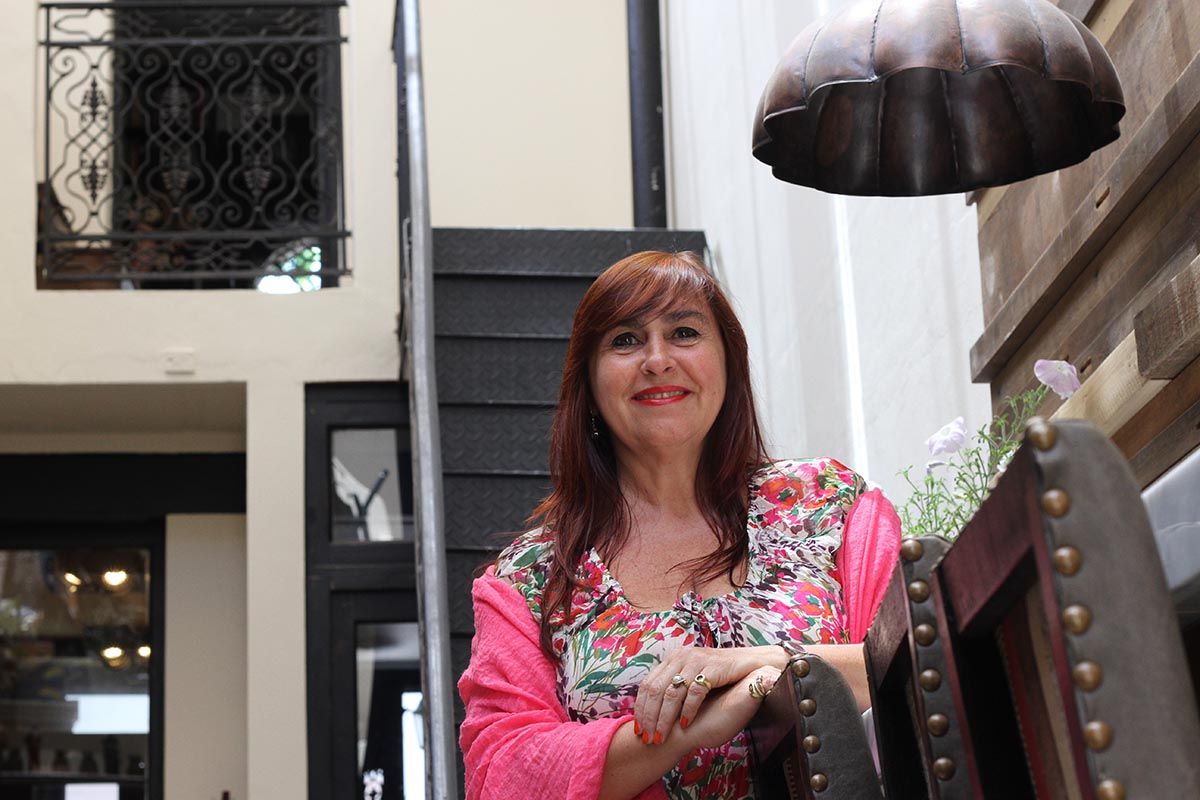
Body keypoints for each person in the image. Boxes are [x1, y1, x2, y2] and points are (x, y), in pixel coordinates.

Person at [458, 251, 901, 800]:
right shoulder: (530, 582)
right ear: (588, 386)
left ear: (728, 363)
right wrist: (682, 731)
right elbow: (500, 773)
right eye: (625, 340)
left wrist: (768, 666)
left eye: (684, 332)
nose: (657, 360)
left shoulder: (828, 504)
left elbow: (907, 662)